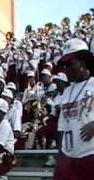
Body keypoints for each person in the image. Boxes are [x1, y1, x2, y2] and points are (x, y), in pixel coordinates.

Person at [54, 38, 94, 180]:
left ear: (82, 63)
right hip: (68, 158)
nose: (65, 69)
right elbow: (62, 128)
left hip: (90, 155)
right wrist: (60, 157)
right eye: (63, 65)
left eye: (70, 64)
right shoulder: (66, 92)